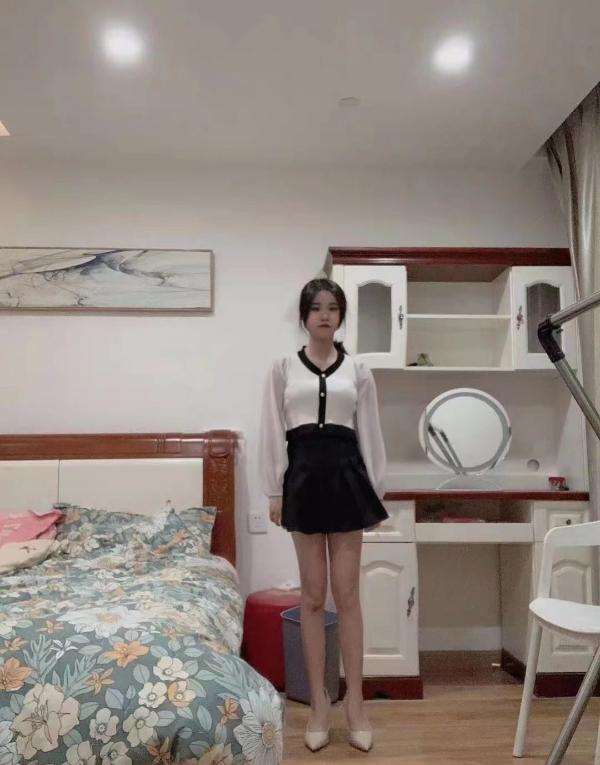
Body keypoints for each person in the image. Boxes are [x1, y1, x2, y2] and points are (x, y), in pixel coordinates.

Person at [258, 277, 390, 752]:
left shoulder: (359, 370)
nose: (324, 315)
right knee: (313, 596)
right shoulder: (281, 369)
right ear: (304, 315)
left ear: (341, 316)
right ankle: (319, 704)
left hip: (348, 480)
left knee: (348, 595)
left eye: (332, 308)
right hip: (304, 482)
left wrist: (376, 492)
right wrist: (274, 490)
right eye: (316, 308)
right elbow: (272, 429)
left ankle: (356, 705)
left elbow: (370, 431)